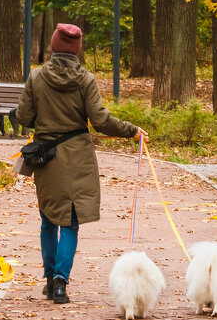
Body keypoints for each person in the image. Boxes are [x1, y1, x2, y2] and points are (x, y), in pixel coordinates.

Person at [16, 23, 148, 304]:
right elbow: (100, 120)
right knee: (71, 223)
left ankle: (50, 279)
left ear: (53, 45)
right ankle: (62, 281)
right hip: (77, 158)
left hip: (46, 159)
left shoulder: (36, 77)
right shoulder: (86, 80)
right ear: (77, 49)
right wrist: (131, 130)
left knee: (49, 220)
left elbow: (25, 117)